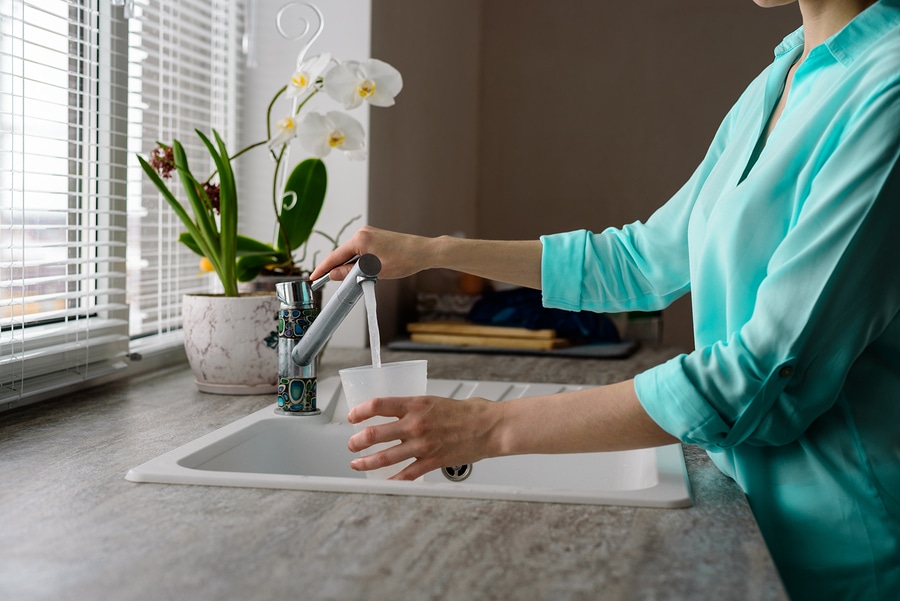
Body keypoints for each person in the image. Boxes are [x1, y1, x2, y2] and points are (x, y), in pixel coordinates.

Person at [310, 1, 900, 599]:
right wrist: (431, 250)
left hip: (843, 547)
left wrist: (489, 428)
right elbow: (644, 260)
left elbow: (763, 374)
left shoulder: (889, 86)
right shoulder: (781, 76)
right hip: (748, 515)